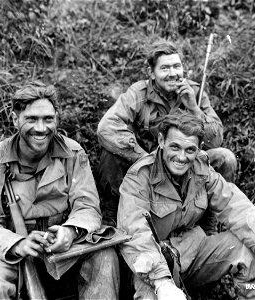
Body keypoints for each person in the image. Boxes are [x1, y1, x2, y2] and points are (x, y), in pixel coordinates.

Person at [0, 82, 119, 299]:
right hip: (11, 254)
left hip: (64, 250)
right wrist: (18, 244)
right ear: (14, 119)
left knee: (105, 256)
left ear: (56, 118)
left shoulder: (73, 153)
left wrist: (70, 231)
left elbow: (87, 207)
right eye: (31, 119)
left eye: (48, 119)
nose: (41, 128)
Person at [117, 110, 255, 300]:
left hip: (192, 252)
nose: (182, 157)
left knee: (247, 251)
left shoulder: (202, 169)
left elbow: (237, 207)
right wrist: (162, 283)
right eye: (175, 147)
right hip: (153, 264)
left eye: (190, 150)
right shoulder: (139, 177)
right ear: (161, 141)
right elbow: (134, 233)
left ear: (199, 149)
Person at [97, 40, 237, 226]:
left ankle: (210, 224)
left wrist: (194, 108)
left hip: (183, 163)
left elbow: (215, 140)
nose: (173, 74)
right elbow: (106, 128)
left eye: (177, 66)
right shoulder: (138, 93)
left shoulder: (194, 91)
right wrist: (144, 158)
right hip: (147, 167)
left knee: (225, 158)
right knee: (110, 154)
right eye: (165, 68)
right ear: (151, 73)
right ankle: (111, 219)